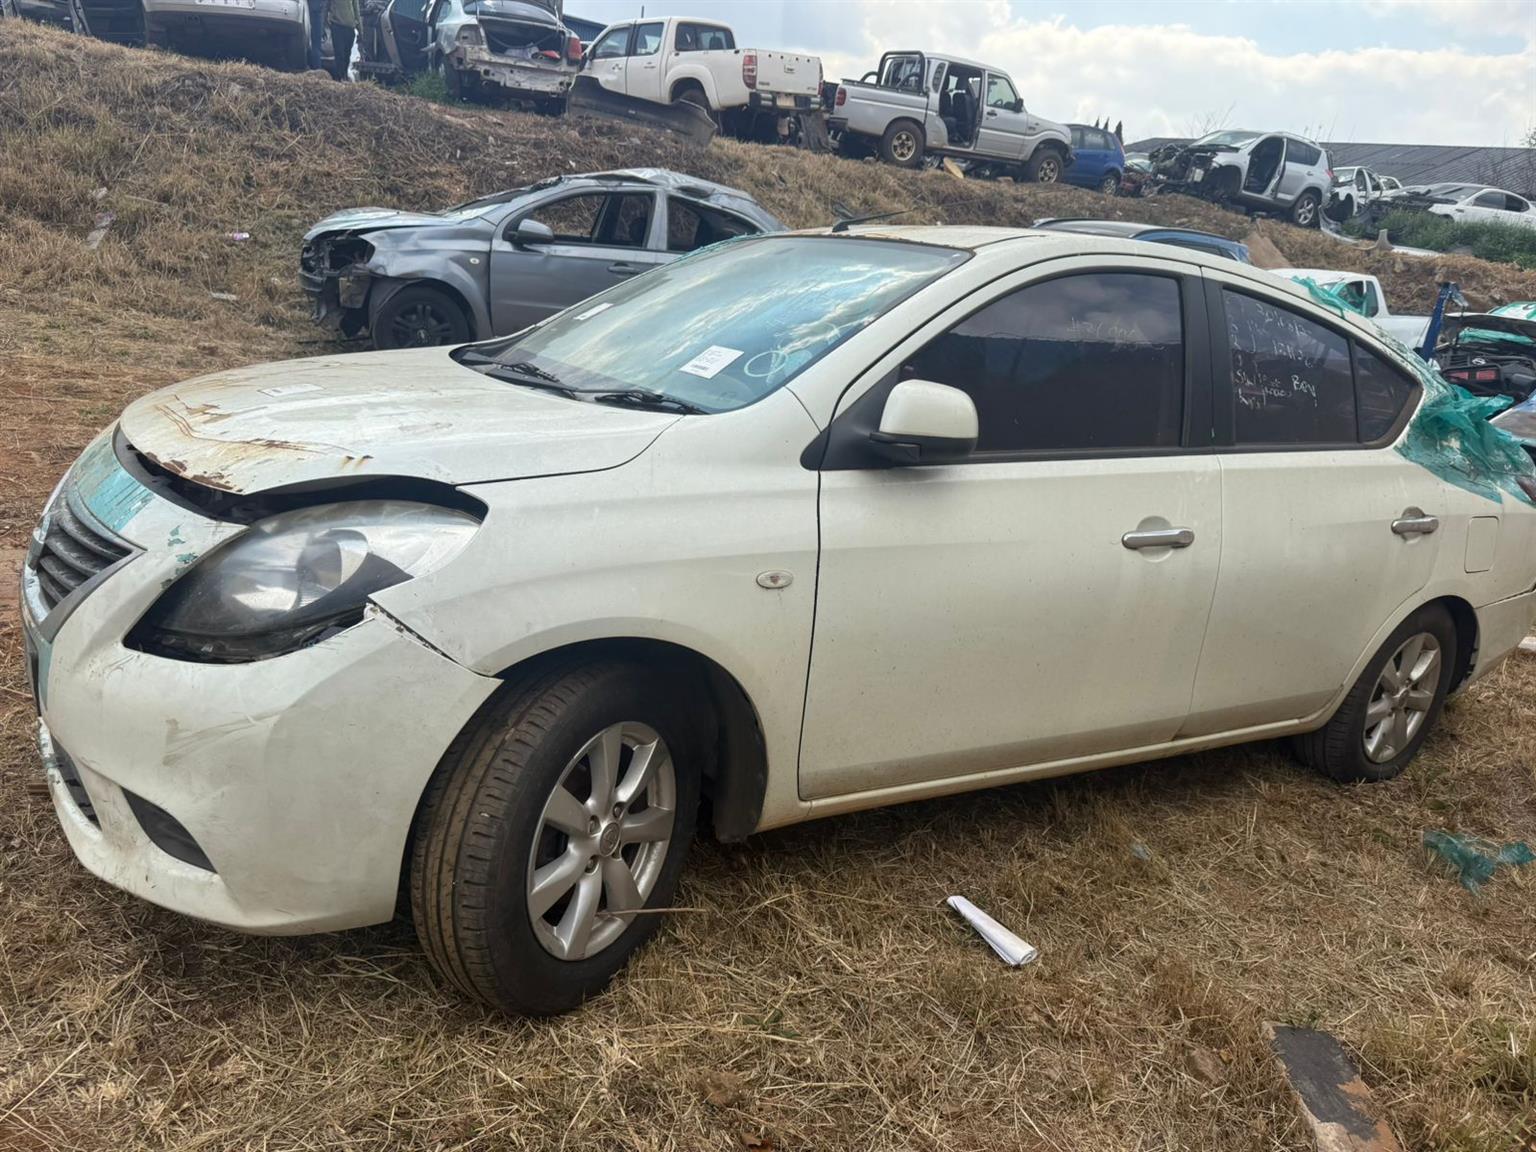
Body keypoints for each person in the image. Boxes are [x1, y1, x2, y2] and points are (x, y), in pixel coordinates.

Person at [328, 0, 358, 81]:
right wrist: (324, 22)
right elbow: (326, 6)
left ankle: (344, 76)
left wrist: (360, 30)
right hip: (337, 26)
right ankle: (340, 78)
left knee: (347, 54)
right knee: (339, 54)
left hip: (350, 27)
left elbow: (356, 9)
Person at [306, 0, 329, 71]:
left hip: (307, 8)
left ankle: (312, 68)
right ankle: (316, 70)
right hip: (317, 11)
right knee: (316, 46)